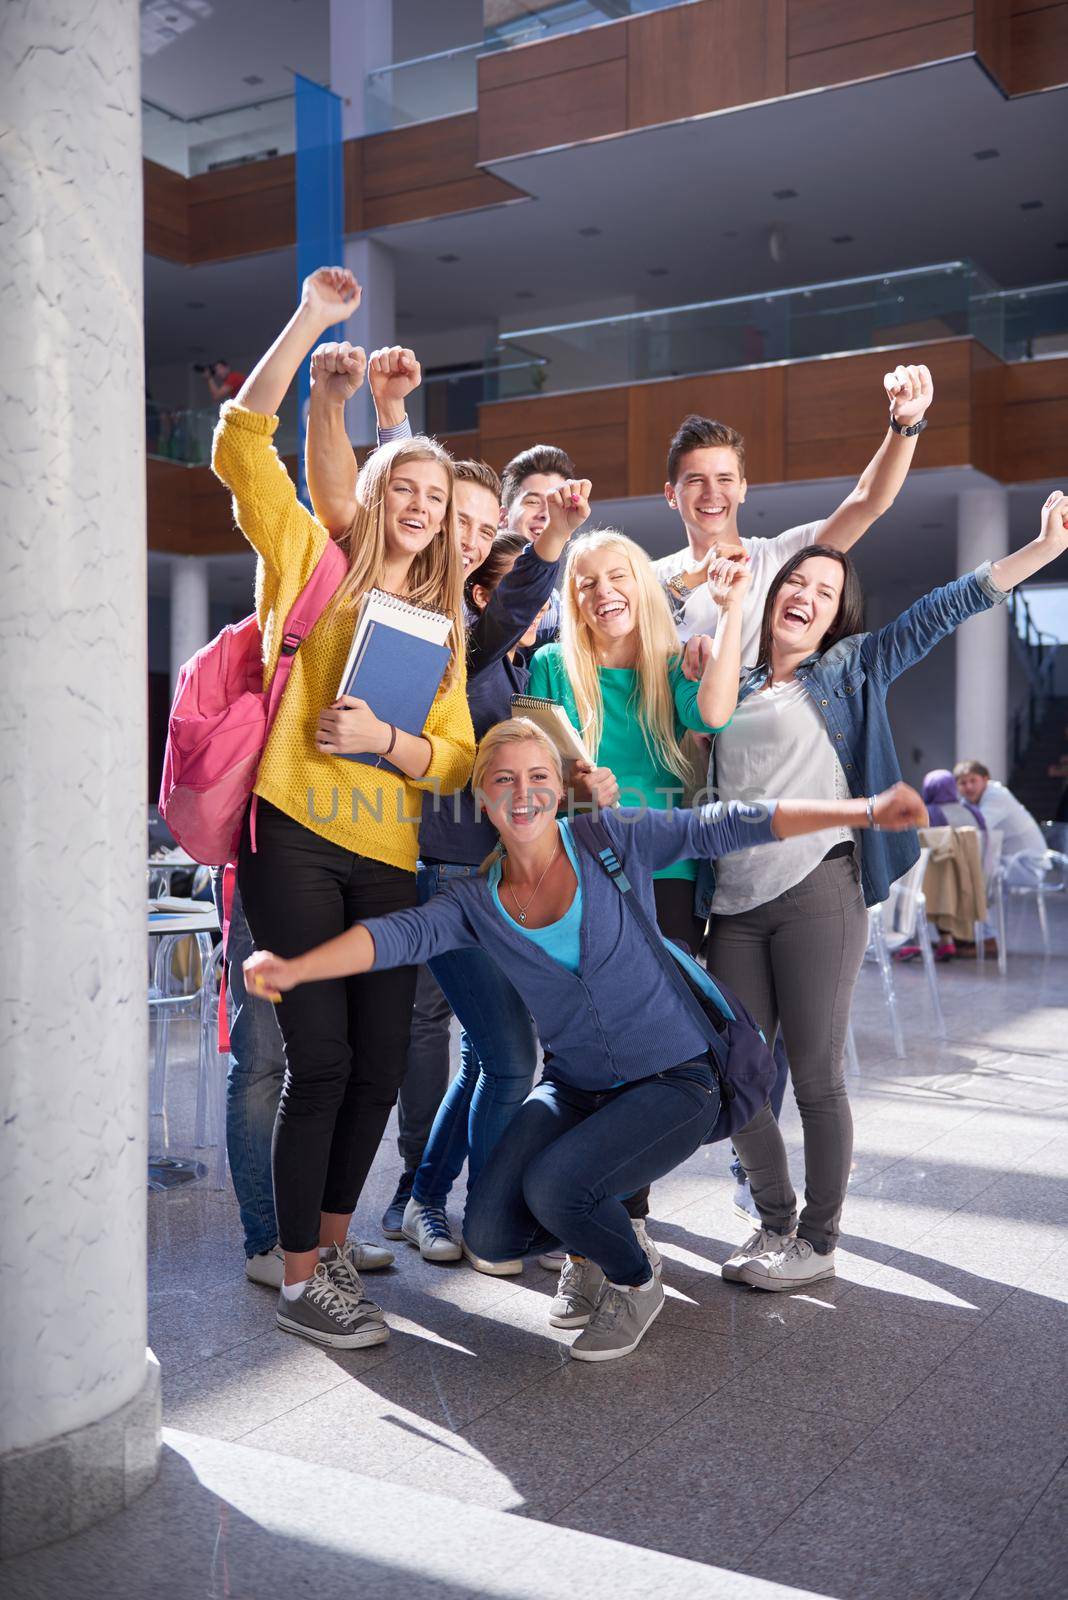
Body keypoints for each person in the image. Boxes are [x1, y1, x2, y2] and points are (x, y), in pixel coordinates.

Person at [243, 717, 925, 1361]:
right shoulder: (475, 903)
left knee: (557, 1187)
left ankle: (632, 1279)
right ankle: (595, 1246)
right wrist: (296, 967)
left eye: (538, 776)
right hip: (576, 1086)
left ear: (559, 785)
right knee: (489, 1232)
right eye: (503, 779)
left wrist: (861, 812)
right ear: (482, 798)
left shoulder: (608, 838)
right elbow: (392, 937)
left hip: (674, 1077)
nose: (523, 792)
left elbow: (729, 823)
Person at [697, 490, 1068, 1291]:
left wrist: (1038, 553)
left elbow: (943, 609)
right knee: (737, 1073)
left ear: (837, 618)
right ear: (774, 593)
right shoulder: (733, 672)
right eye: (798, 582)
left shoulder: (850, 668)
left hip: (818, 893)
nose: (806, 596)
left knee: (818, 1076)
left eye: (826, 593)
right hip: (731, 902)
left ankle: (818, 1239)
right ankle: (774, 1217)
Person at [213, 265, 475, 1352]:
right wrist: (314, 324)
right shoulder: (310, 560)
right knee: (317, 1060)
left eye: (436, 500)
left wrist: (390, 743)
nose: (418, 509)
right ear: (372, 496)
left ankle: (322, 1257)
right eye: (402, 490)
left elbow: (456, 759)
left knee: (377, 1066)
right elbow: (239, 443)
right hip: (295, 839)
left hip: (389, 857)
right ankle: (303, 1274)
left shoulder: (441, 621)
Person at [401, 508, 582, 1271]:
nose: (534, 611)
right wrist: (550, 543)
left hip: (493, 880)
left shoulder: (513, 673)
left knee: (485, 1057)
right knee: (510, 1058)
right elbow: (511, 609)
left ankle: (421, 1200)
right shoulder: (465, 655)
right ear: (480, 598)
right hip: (449, 879)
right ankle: (488, 1219)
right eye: (518, 595)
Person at [527, 529, 740, 951]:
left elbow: (713, 717)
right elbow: (536, 778)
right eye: (587, 584)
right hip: (584, 866)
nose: (603, 590)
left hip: (668, 868)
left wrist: (730, 609)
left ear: (641, 585)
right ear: (575, 603)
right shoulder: (550, 664)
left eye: (617, 576)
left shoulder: (675, 663)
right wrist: (574, 792)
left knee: (673, 1006)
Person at [656, 364, 935, 667]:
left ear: (742, 489)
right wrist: (693, 579)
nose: (712, 493)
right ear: (672, 495)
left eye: (725, 479)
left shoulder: (780, 557)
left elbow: (868, 501)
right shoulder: (651, 576)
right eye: (697, 480)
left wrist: (905, 424)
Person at [209, 872, 395, 1287]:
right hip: (258, 865)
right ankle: (266, 1242)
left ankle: (319, 1240)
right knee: (263, 1060)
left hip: (329, 868)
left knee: (327, 1058)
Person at [954, 759, 1051, 886]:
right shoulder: (970, 800)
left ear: (985, 779)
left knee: (974, 872)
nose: (969, 787)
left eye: (973, 780)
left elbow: (975, 829)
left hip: (1030, 867)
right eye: (963, 783)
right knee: (975, 868)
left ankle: (980, 906)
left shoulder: (996, 796)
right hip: (1010, 862)